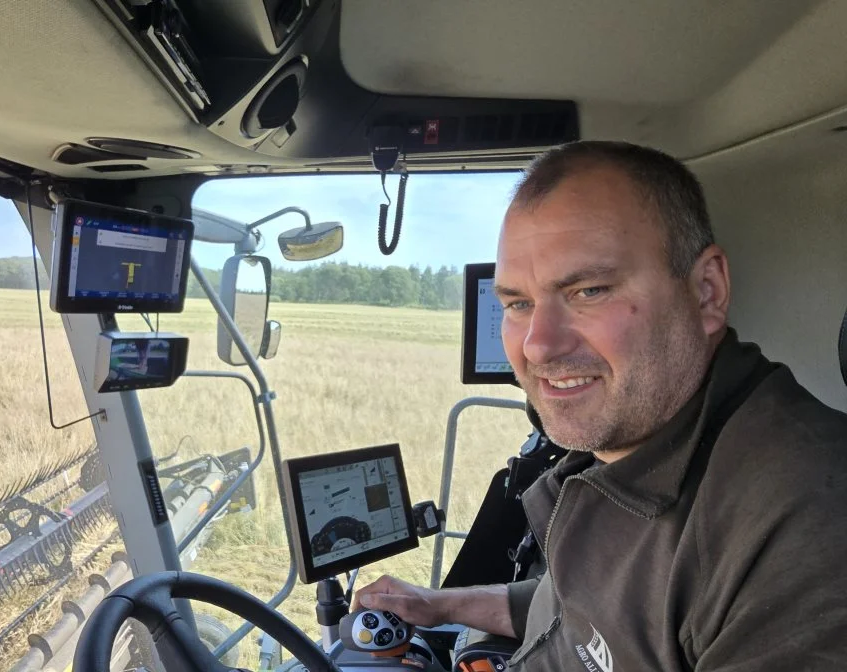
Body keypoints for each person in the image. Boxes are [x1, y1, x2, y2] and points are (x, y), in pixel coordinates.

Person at [352, 141, 847, 670]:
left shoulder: (806, 529)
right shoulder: (632, 434)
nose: (538, 345)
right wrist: (440, 604)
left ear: (707, 291)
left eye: (588, 291)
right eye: (518, 303)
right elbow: (576, 608)